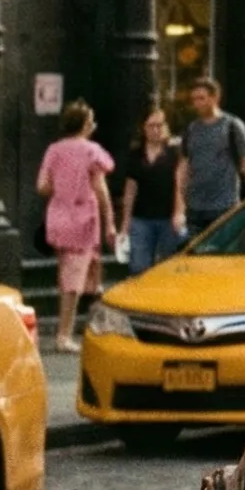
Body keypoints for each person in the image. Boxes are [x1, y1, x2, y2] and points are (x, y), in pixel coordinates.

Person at [36, 102, 117, 351]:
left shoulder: (54, 150)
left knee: (80, 273)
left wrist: (63, 189)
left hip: (58, 217)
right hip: (84, 219)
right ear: (85, 124)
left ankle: (91, 327)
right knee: (74, 281)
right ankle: (64, 335)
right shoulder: (92, 151)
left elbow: (42, 186)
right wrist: (110, 222)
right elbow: (101, 189)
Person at [176, 77, 245, 236]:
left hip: (225, 206)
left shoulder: (232, 125)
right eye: (194, 99)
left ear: (215, 97)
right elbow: (183, 169)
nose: (197, 104)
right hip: (195, 208)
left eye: (201, 98)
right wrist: (179, 208)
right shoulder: (191, 129)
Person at [120, 109, 188, 274]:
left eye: (160, 125)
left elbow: (182, 184)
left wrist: (179, 212)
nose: (156, 130)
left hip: (168, 217)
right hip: (141, 218)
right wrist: (125, 223)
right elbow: (130, 189)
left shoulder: (175, 152)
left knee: (167, 267)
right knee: (139, 267)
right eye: (151, 126)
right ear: (143, 128)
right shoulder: (136, 153)